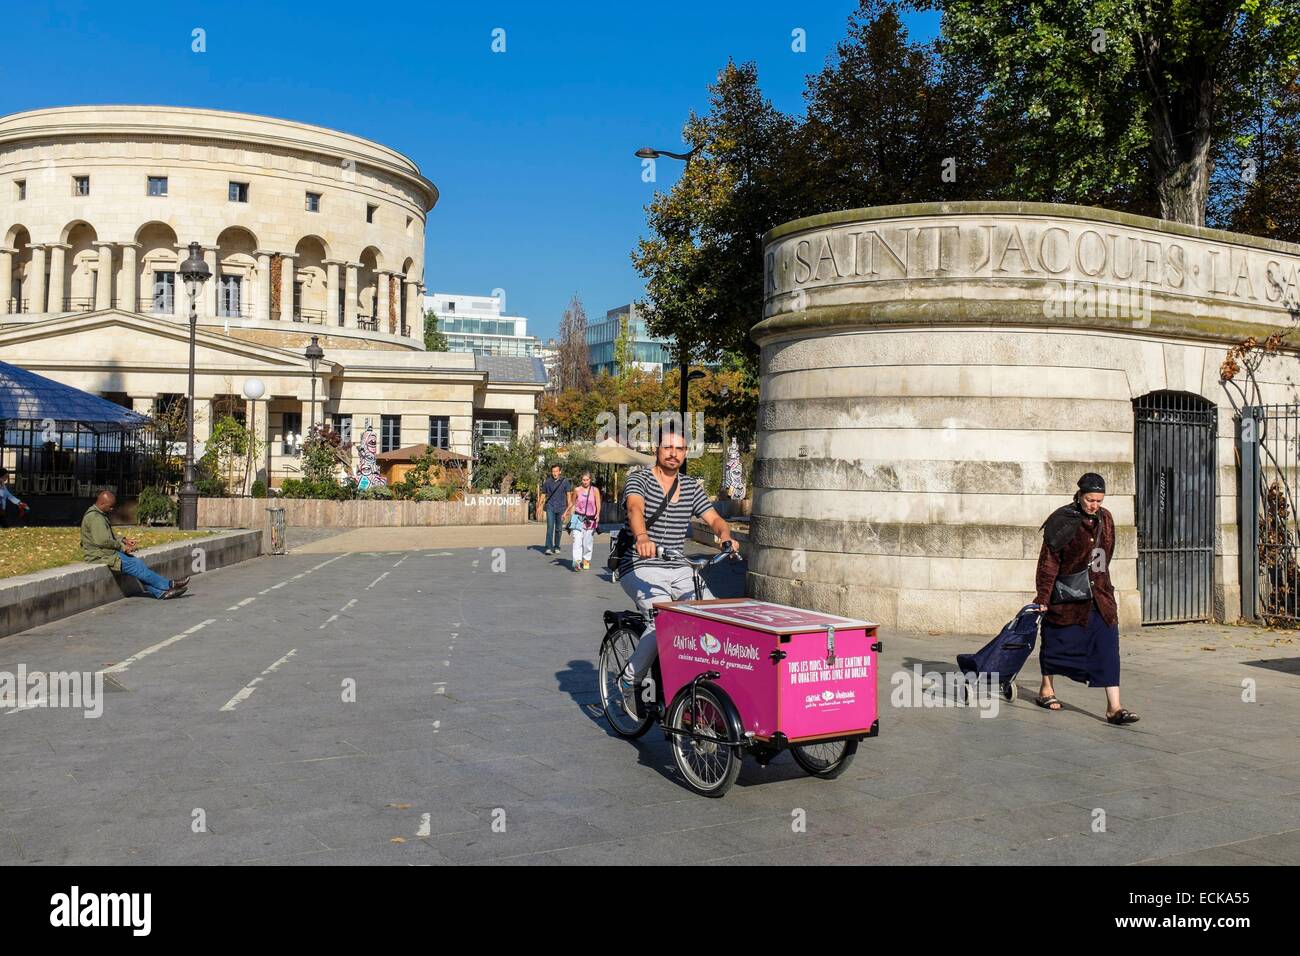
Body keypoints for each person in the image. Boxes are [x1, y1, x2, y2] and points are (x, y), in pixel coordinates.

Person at [618, 430, 737, 710]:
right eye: (668, 447)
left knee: (714, 615)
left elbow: (714, 518)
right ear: (657, 449)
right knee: (661, 619)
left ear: (686, 453)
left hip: (677, 565)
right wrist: (642, 538)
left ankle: (695, 681)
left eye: (680, 448)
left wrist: (725, 535)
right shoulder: (639, 479)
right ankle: (629, 679)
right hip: (640, 563)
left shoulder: (691, 486)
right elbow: (635, 509)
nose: (674, 453)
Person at [1031, 472, 1138, 724]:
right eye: (1090, 500)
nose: (1095, 505)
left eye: (1099, 501)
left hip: (1100, 597)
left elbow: (1106, 553)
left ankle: (1114, 707)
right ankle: (1046, 688)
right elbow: (1048, 563)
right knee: (1056, 642)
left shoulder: (1106, 519)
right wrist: (1043, 597)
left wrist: (1099, 580)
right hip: (1067, 598)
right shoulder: (1061, 520)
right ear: (1079, 496)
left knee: (1108, 646)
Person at [81, 490, 189, 599]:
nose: (112, 509)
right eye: (110, 507)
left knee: (138, 567)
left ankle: (161, 593)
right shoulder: (95, 518)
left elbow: (106, 537)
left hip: (105, 552)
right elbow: (103, 541)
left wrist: (124, 540)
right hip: (100, 555)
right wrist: (123, 548)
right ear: (102, 503)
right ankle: (169, 585)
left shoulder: (98, 514)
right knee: (137, 566)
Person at [563, 471, 601, 571]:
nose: (585, 482)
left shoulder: (595, 490)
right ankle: (576, 561)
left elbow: (598, 504)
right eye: (583, 480)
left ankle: (586, 559)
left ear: (590, 480)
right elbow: (572, 502)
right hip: (578, 518)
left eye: (587, 480)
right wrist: (565, 512)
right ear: (581, 480)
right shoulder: (577, 490)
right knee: (577, 540)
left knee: (588, 542)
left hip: (590, 519)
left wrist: (598, 514)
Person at [537, 464, 571, 555]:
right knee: (550, 527)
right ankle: (548, 547)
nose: (555, 473)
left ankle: (557, 546)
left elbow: (568, 495)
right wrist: (539, 507)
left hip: (561, 508)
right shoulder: (547, 482)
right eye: (553, 471)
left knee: (559, 528)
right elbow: (543, 495)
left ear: (560, 472)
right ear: (551, 472)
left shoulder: (565, 482)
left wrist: (568, 509)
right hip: (550, 507)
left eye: (556, 471)